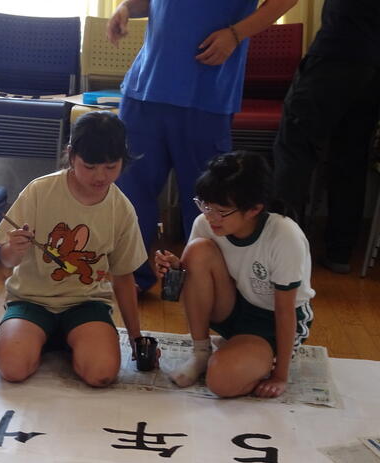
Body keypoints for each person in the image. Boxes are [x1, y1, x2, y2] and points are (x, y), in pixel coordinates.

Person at [107, 0, 297, 292]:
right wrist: (125, 9)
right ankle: (131, 280)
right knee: (130, 193)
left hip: (205, 96)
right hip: (145, 89)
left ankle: (204, 287)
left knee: (206, 203)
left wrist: (235, 34)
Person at [0, 111, 148, 388]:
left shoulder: (121, 208)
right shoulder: (40, 191)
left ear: (123, 160)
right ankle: (41, 338)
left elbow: (124, 276)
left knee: (101, 373)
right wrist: (13, 249)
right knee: (11, 367)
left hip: (86, 303)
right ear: (71, 155)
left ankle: (65, 340)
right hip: (31, 299)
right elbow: (5, 260)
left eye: (111, 167)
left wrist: (136, 338)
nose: (100, 176)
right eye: (90, 166)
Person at [155, 151, 314, 398]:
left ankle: (249, 351)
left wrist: (280, 375)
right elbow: (195, 277)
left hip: (272, 320)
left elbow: (285, 311)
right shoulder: (205, 222)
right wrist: (176, 268)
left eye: (221, 210)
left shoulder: (284, 235)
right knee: (197, 250)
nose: (210, 216)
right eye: (205, 205)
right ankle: (201, 352)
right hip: (235, 304)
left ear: (254, 209)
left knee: (221, 382)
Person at [273, 0, 380, 274]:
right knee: (351, 157)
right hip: (372, 64)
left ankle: (279, 251)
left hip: (336, 52)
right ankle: (339, 252)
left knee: (294, 150)